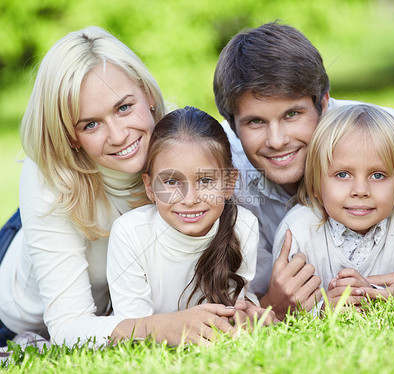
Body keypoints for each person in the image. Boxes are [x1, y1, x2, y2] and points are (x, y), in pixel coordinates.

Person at [0, 27, 240, 347]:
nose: (119, 135)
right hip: (12, 296)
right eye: (90, 124)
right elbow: (66, 328)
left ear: (146, 93)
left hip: (99, 269)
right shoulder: (47, 181)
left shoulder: (178, 136)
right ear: (71, 134)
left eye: (123, 107)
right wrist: (154, 328)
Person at [213, 21, 394, 319]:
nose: (277, 141)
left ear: (323, 102)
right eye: (256, 122)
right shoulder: (222, 172)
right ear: (233, 126)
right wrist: (275, 306)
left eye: (292, 114)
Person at [106, 106, 273, 345]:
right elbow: (135, 330)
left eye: (205, 180)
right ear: (150, 187)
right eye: (172, 181)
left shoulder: (243, 226)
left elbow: (231, 314)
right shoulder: (130, 233)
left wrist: (247, 314)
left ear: (228, 183)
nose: (190, 199)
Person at [272, 104, 394, 310]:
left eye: (378, 175)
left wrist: (371, 296)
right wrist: (322, 309)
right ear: (316, 185)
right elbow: (288, 308)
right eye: (343, 174)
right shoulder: (298, 231)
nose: (361, 190)